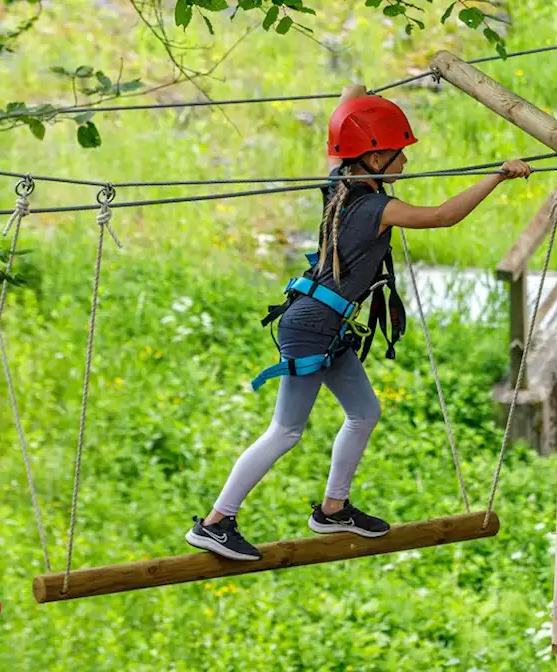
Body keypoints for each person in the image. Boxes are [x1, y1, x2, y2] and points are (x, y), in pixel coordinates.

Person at [186, 84, 532, 562]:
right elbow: (441, 216)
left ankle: (333, 509)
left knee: (364, 412)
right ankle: (216, 522)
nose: (406, 163)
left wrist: (361, 96)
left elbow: (347, 106)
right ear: (372, 160)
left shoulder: (339, 181)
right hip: (312, 326)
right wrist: (498, 177)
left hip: (326, 324)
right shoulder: (374, 207)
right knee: (286, 431)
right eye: (398, 155)